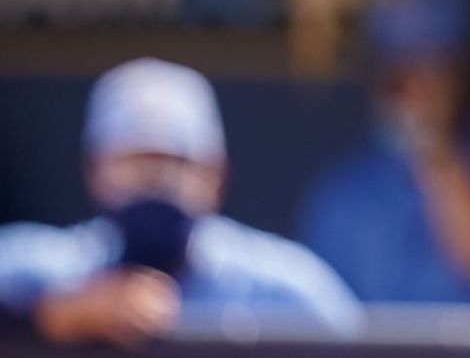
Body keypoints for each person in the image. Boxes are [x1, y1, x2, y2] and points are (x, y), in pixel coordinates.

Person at [0, 58, 360, 342]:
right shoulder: (50, 268)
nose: (158, 182)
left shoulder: (282, 290)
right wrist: (50, 315)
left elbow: (364, 345)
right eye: (137, 161)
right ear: (94, 171)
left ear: (216, 176)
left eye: (178, 162)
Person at [295, 0, 470, 305]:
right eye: (397, 65)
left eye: (432, 64)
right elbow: (322, 317)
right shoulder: (347, 188)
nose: (412, 83)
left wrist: (433, 148)